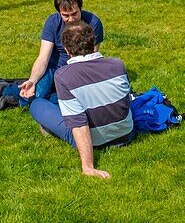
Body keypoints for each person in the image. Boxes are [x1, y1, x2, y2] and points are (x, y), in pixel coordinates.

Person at [27, 22, 133, 179]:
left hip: (96, 141)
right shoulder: (117, 64)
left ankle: (50, 127)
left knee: (37, 104)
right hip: (127, 133)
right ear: (92, 42)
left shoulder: (64, 76)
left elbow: (78, 123)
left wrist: (88, 167)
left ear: (67, 50)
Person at [0, 0, 104, 108]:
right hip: (54, 69)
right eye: (66, 15)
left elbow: (92, 59)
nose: (71, 19)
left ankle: (19, 99)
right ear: (59, 13)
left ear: (81, 8)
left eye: (74, 14)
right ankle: (8, 90)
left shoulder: (93, 23)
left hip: (78, 70)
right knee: (37, 92)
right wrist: (33, 81)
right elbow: (43, 58)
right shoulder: (53, 22)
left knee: (69, 100)